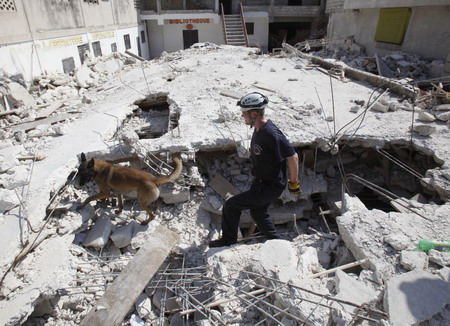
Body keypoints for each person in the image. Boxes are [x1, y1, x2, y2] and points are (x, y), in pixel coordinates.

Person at [209, 92, 301, 248]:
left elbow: (293, 157)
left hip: (270, 186)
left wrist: (294, 183)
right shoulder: (259, 129)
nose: (242, 116)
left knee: (231, 205)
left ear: (254, 113)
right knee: (258, 212)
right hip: (261, 182)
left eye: (244, 113)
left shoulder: (271, 133)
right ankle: (276, 242)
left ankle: (228, 240)